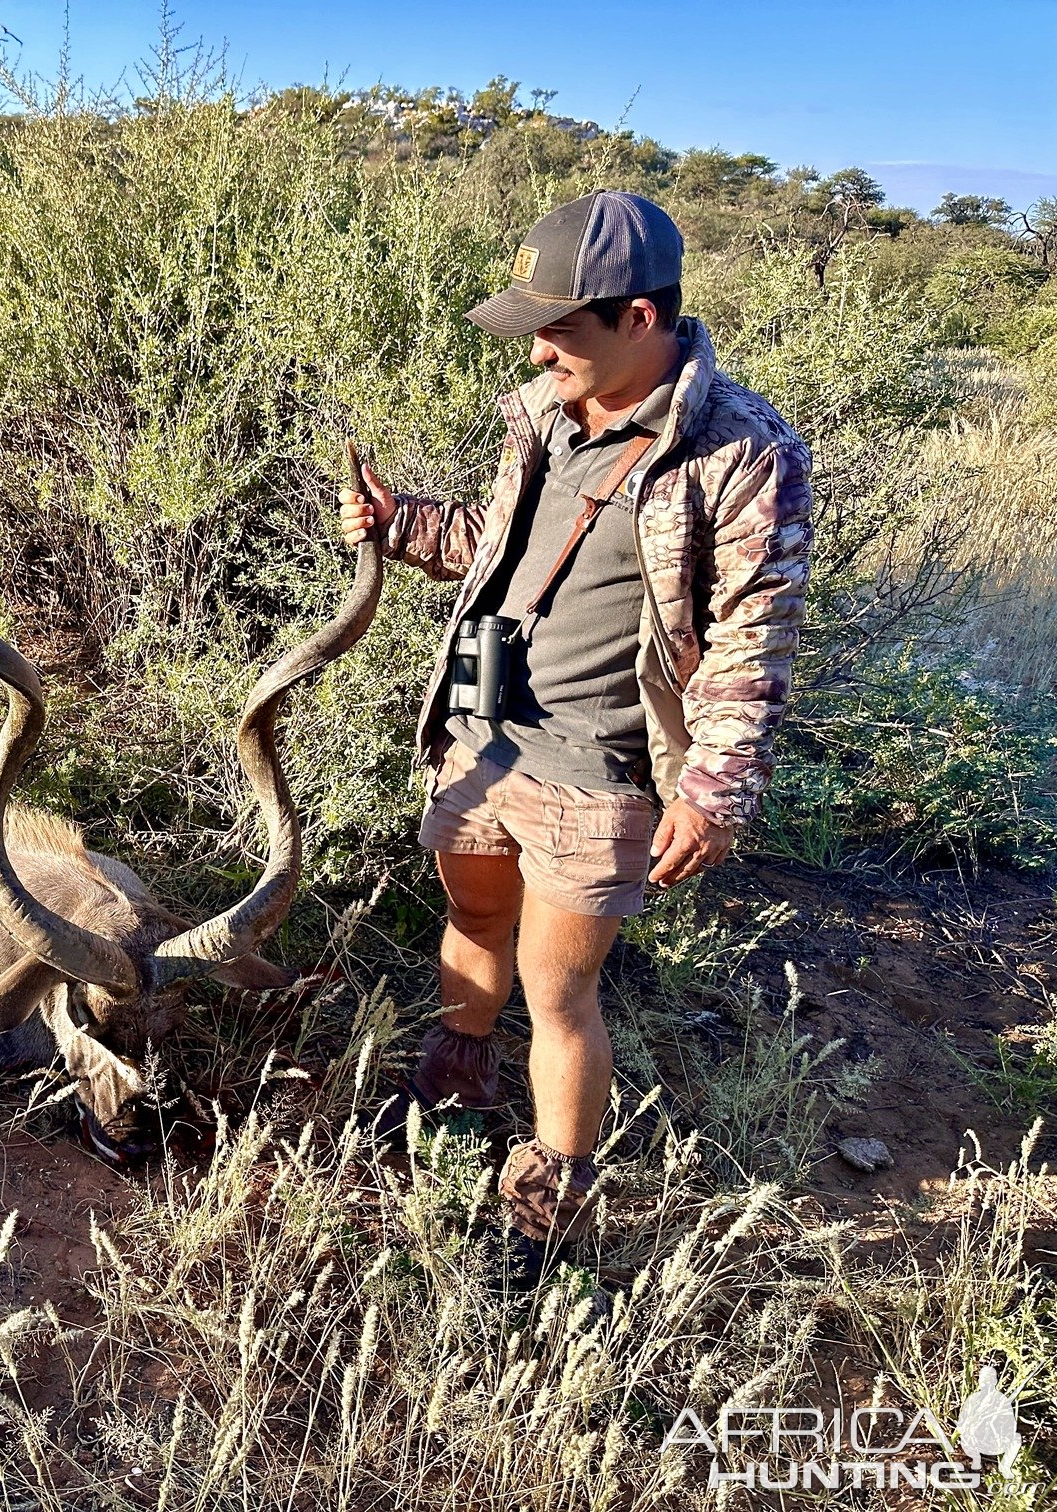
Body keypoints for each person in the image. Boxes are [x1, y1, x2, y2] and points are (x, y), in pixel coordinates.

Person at [339, 189, 811, 1265]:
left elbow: (753, 636)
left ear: (640, 319)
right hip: (482, 738)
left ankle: (547, 1200)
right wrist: (401, 522)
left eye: (561, 327)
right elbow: (496, 545)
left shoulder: (743, 453)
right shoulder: (545, 414)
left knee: (559, 989)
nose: (541, 348)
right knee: (470, 921)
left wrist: (716, 788)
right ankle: (458, 1075)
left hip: (599, 774)